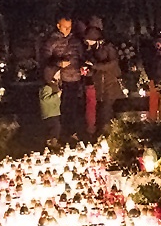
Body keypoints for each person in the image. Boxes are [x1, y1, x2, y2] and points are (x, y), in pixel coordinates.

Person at [42, 13, 85, 142]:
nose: (68, 30)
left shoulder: (76, 41)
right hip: (58, 78)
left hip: (75, 78)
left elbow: (81, 57)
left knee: (72, 106)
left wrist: (83, 67)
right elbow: (45, 59)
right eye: (65, 27)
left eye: (70, 27)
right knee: (59, 108)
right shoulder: (51, 42)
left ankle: (72, 132)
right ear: (58, 26)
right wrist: (59, 63)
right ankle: (56, 135)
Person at [84, 24, 124, 137]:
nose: (87, 42)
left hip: (110, 82)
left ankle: (108, 134)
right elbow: (94, 67)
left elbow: (113, 63)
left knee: (107, 110)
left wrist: (95, 65)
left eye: (89, 40)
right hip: (100, 84)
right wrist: (88, 70)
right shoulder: (92, 49)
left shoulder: (108, 47)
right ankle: (104, 134)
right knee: (102, 110)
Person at [39, 66, 62, 147]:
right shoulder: (47, 87)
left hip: (54, 111)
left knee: (56, 127)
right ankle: (52, 142)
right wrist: (57, 95)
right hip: (50, 113)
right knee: (55, 128)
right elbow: (45, 100)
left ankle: (51, 141)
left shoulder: (54, 85)